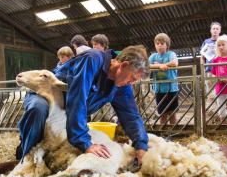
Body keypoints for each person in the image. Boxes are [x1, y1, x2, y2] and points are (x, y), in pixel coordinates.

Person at [18, 45, 150, 165]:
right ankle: (27, 161)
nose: (131, 83)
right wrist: (85, 143)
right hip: (48, 96)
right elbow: (78, 98)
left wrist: (140, 145)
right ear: (124, 65)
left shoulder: (121, 85)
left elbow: (130, 114)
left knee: (57, 147)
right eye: (132, 78)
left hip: (66, 109)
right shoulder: (92, 60)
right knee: (38, 109)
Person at [149, 33, 179, 124]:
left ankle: (173, 132)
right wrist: (160, 66)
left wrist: (159, 65)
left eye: (162, 43)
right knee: (162, 113)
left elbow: (175, 63)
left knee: (172, 113)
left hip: (172, 88)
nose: (159, 46)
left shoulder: (170, 54)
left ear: (167, 45)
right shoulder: (153, 56)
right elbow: (146, 65)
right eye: (157, 44)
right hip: (159, 89)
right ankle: (163, 134)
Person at [200, 22, 222, 93]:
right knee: (210, 92)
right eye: (213, 28)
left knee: (222, 92)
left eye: (217, 29)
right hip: (209, 70)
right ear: (211, 30)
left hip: (221, 70)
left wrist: (217, 52)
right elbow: (202, 57)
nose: (215, 30)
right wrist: (203, 70)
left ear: (220, 31)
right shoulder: (206, 42)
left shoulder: (223, 41)